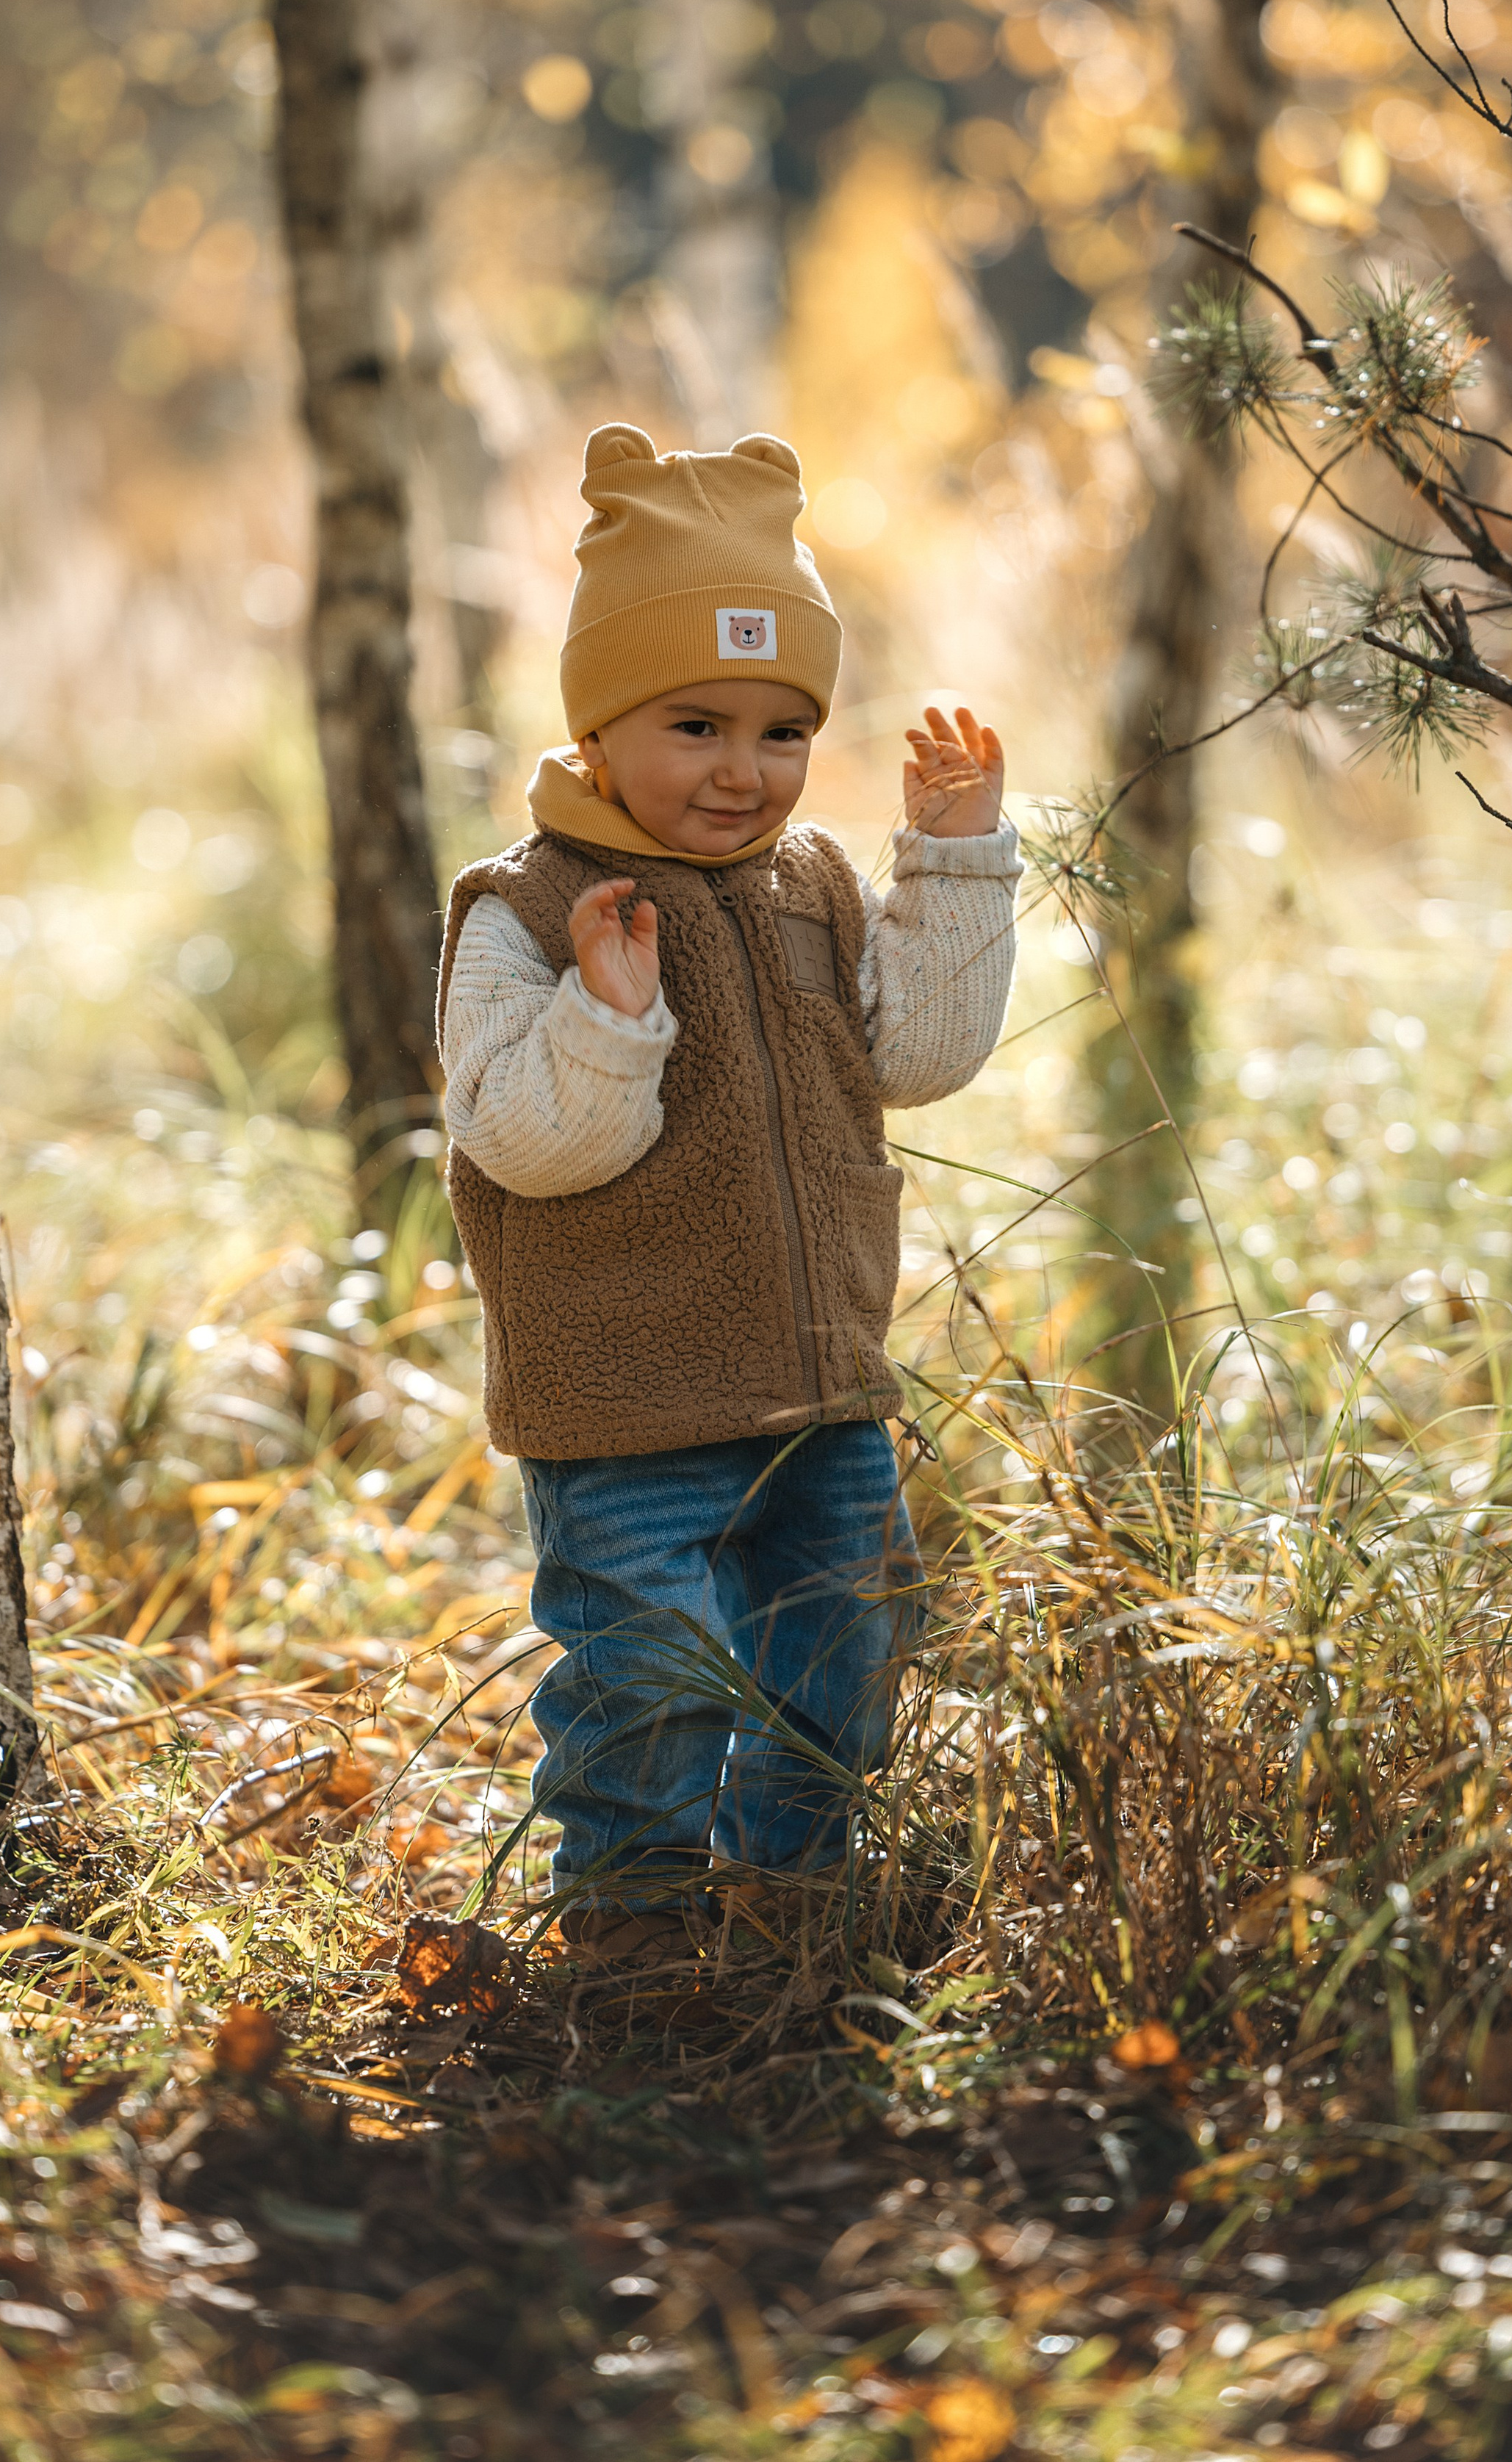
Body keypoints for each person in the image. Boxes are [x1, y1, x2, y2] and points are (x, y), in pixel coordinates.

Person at [437, 422, 1020, 1960]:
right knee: (648, 1668)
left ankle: (789, 1894)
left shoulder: (810, 882)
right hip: (623, 1397)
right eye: (695, 725)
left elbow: (915, 1057)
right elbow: (520, 1142)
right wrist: (606, 1016)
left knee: (849, 1639)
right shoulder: (527, 910)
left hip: (817, 1378)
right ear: (598, 725)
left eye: (780, 732)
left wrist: (955, 862)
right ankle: (630, 1925)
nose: (741, 771)